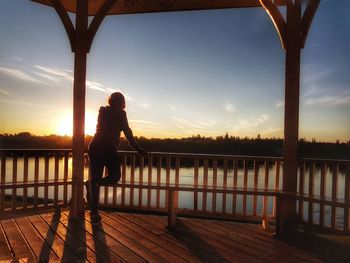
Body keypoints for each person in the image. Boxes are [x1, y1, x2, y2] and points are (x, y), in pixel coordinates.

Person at [88, 92, 146, 218]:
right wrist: (138, 149)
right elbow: (128, 133)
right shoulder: (120, 113)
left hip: (94, 146)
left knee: (95, 178)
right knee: (115, 176)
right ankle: (95, 184)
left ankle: (94, 211)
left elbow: (100, 128)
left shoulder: (102, 111)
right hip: (108, 148)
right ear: (121, 102)